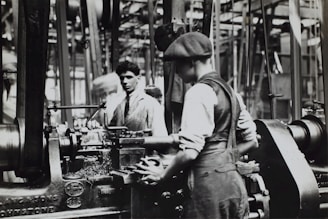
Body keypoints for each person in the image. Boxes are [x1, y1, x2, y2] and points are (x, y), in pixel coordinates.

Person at [135, 32, 258, 219]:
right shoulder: (232, 93)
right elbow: (252, 141)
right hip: (234, 185)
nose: (176, 72)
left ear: (191, 62)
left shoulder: (198, 92)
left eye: (178, 65)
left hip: (208, 189)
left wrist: (162, 175)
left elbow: (190, 152)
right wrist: (224, 158)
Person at [109, 60, 168, 137]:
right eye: (122, 78)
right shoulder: (120, 107)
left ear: (138, 77)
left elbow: (160, 136)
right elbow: (110, 131)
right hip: (122, 148)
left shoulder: (150, 104)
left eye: (129, 77)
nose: (125, 81)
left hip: (145, 148)